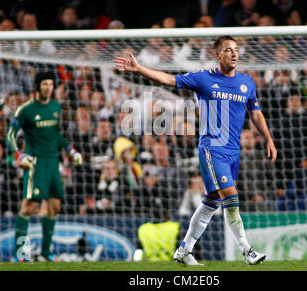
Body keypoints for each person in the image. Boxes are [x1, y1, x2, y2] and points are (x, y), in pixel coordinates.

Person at [114, 35, 277, 266]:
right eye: (228, 50)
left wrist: (268, 139)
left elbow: (256, 112)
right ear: (217, 55)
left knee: (211, 201)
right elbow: (169, 80)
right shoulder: (204, 79)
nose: (234, 53)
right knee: (230, 195)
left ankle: (184, 250)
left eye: (236, 49)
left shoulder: (247, 82)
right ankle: (247, 250)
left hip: (233, 151)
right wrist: (140, 69)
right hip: (212, 148)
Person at [6, 70, 83, 262]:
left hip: (53, 162)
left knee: (54, 207)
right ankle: (20, 255)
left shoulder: (56, 107)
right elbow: (10, 135)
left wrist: (70, 150)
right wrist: (19, 154)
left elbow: (56, 134)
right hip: (36, 163)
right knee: (28, 207)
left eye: (51, 84)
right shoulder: (25, 110)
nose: (48, 88)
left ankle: (45, 254)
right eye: (45, 84)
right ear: (37, 86)